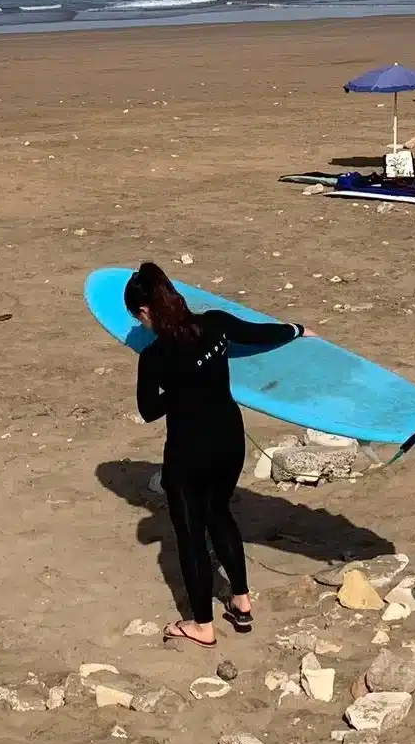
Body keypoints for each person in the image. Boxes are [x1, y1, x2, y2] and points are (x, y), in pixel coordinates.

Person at [127, 261, 303, 647]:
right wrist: (298, 330)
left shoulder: (155, 356)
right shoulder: (216, 324)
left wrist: (177, 387)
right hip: (229, 440)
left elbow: (148, 410)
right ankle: (240, 600)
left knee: (190, 536)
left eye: (138, 320)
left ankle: (201, 625)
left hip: (188, 453)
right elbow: (259, 334)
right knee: (219, 512)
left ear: (145, 312)